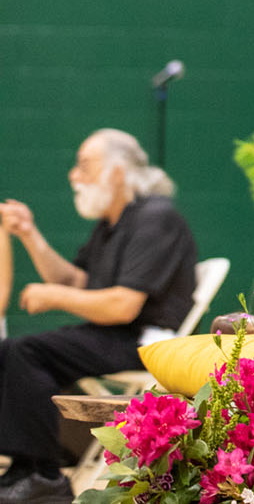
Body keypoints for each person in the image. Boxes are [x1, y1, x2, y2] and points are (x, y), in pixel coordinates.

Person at [0, 130, 198, 504]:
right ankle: (25, 468)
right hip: (111, 335)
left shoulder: (157, 218)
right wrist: (28, 234)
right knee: (16, 351)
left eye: (85, 165)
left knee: (26, 352)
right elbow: (75, 281)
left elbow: (123, 305)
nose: (75, 175)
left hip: (146, 342)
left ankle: (45, 475)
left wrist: (55, 296)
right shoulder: (112, 223)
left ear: (118, 172)